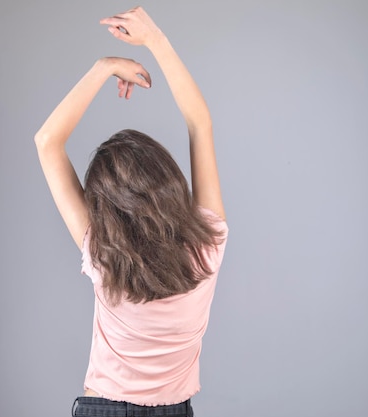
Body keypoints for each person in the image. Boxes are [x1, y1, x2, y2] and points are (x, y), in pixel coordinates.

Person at [34, 6, 229, 417]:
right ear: (169, 182)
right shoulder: (207, 247)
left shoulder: (103, 254)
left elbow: (48, 140)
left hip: (102, 409)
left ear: (104, 206)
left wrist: (104, 67)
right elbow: (200, 123)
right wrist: (155, 39)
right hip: (175, 410)